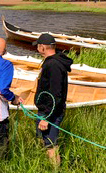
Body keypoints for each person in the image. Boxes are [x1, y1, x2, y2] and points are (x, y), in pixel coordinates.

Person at [33, 33, 73, 166]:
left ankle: (55, 169)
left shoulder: (54, 65)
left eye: (38, 46)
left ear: (43, 47)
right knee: (46, 142)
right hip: (47, 111)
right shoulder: (52, 62)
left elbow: (56, 94)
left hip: (50, 113)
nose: (37, 49)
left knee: (51, 145)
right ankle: (47, 166)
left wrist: (47, 117)